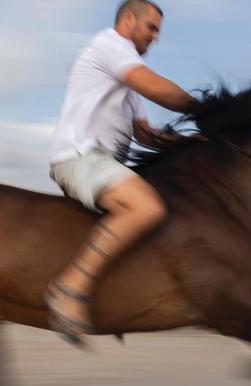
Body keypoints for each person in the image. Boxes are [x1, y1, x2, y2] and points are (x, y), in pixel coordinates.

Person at [46, 0, 196, 345]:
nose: (155, 38)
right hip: (80, 157)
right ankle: (69, 288)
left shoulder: (126, 75)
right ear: (129, 20)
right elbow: (156, 88)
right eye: (152, 28)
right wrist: (207, 109)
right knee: (146, 208)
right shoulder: (111, 47)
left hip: (104, 163)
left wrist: (191, 143)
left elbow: (145, 133)